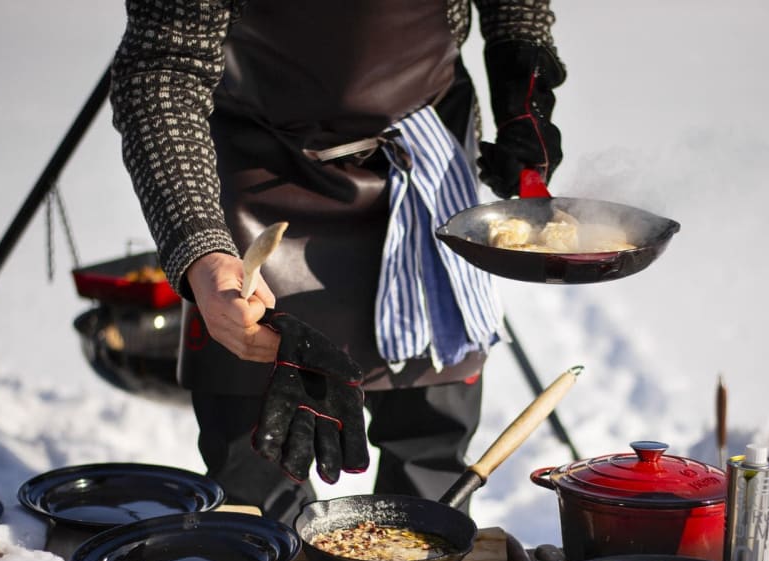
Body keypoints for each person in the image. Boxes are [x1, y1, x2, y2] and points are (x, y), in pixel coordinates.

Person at [109, 0, 565, 526]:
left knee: (430, 474)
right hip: (260, 181)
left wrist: (520, 93)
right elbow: (162, 72)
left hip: (426, 170)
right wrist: (200, 247)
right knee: (259, 479)